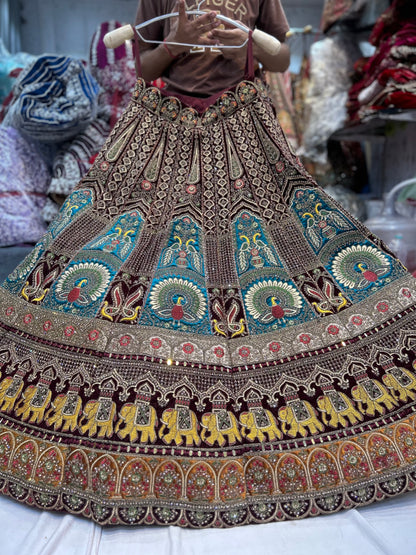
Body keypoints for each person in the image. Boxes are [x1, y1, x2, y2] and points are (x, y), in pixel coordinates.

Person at [0, 0, 415, 530]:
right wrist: (179, 40)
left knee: (281, 242)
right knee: (123, 243)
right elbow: (145, 66)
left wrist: (244, 34)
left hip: (243, 127)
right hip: (161, 129)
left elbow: (282, 59)